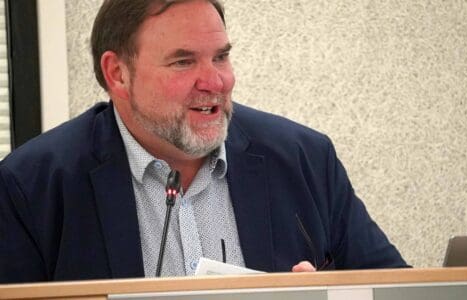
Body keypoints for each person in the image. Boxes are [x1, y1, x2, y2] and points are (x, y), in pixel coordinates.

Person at [0, 0, 408, 283]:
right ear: (118, 73)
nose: (215, 82)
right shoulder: (32, 185)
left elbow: (397, 289)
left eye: (220, 57)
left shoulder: (306, 159)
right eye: (183, 61)